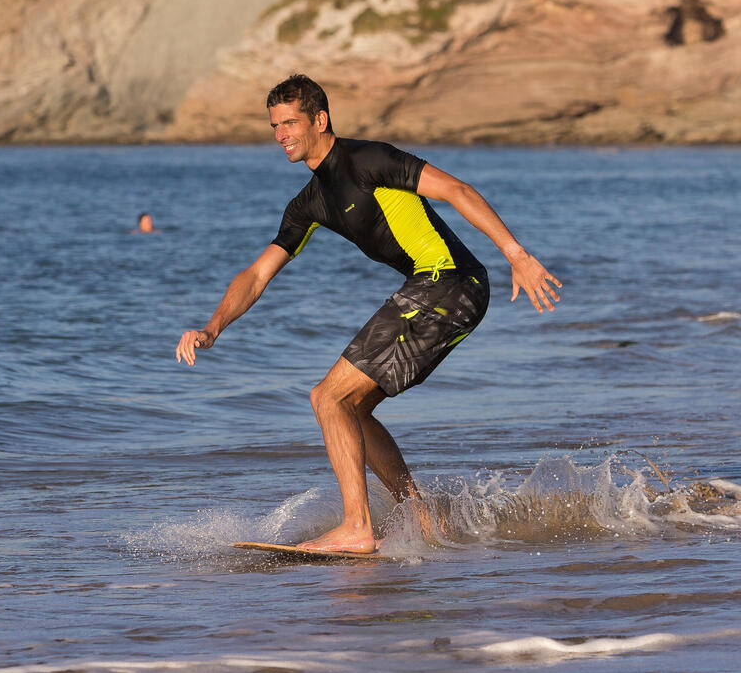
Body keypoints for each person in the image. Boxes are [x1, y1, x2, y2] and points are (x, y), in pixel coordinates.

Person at [175, 74, 561, 553]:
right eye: (275, 125)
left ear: (320, 119)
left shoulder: (369, 159)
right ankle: (419, 516)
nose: (282, 135)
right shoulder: (310, 202)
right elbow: (257, 274)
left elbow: (457, 190)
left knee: (326, 398)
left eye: (291, 122)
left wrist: (516, 254)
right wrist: (212, 328)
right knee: (352, 408)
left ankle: (357, 527)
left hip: (449, 282)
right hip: (437, 290)